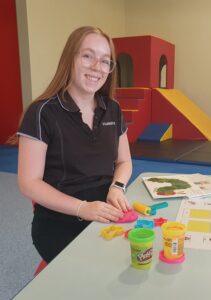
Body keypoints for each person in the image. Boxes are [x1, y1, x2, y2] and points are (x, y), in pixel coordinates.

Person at [17, 26, 132, 263]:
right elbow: (29, 183)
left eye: (105, 61)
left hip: (107, 212)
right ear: (70, 58)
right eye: (87, 56)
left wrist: (117, 187)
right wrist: (83, 208)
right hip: (60, 224)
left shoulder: (113, 109)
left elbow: (124, 161)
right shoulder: (42, 112)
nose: (96, 67)